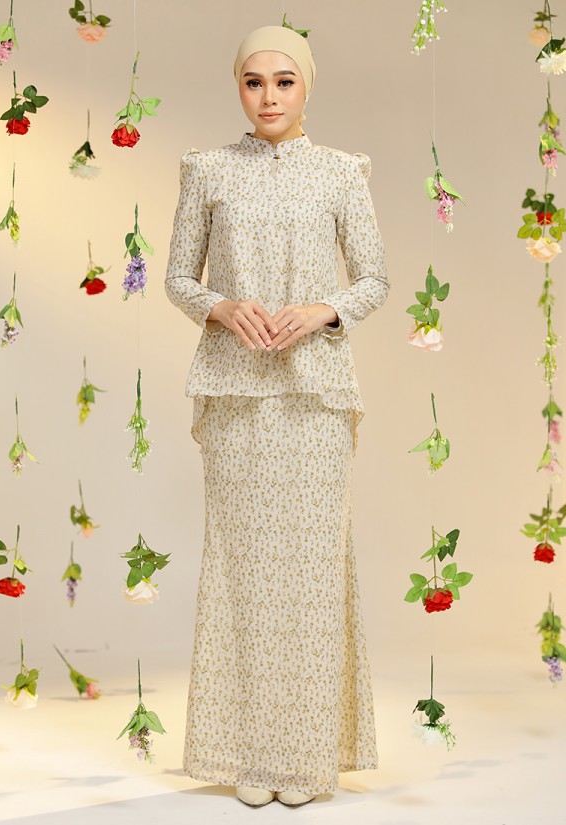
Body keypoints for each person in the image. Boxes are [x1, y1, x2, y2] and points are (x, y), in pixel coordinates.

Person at [164, 23, 390, 810]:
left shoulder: (341, 172)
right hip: (234, 394)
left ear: (307, 86)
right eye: (253, 81)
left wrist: (321, 311)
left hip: (316, 395)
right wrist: (223, 306)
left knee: (311, 574)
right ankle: (247, 756)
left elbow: (374, 278)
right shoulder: (207, 169)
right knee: (242, 574)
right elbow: (178, 278)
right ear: (238, 86)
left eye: (284, 81)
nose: (268, 96)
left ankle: (306, 757)